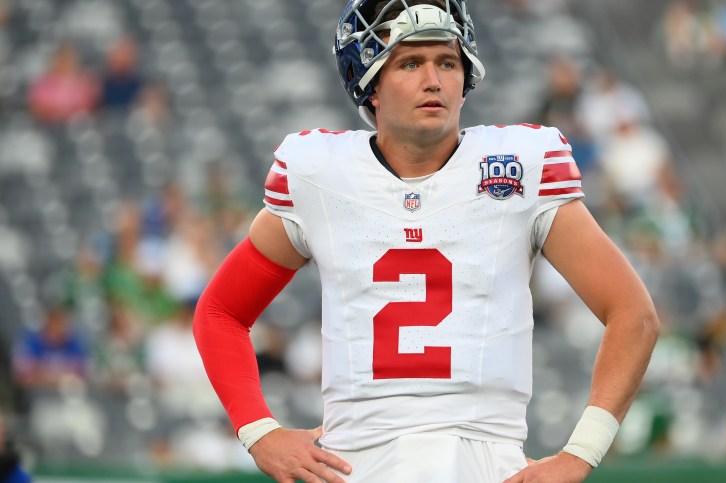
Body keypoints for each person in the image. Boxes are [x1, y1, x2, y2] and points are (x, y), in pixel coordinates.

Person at [193, 1, 660, 482]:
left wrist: (579, 454)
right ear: (370, 82)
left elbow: (633, 314)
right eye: (410, 62)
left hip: (484, 459)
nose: (433, 79)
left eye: (448, 62)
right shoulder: (320, 174)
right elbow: (220, 312)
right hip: (357, 461)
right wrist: (258, 430)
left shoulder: (518, 165)